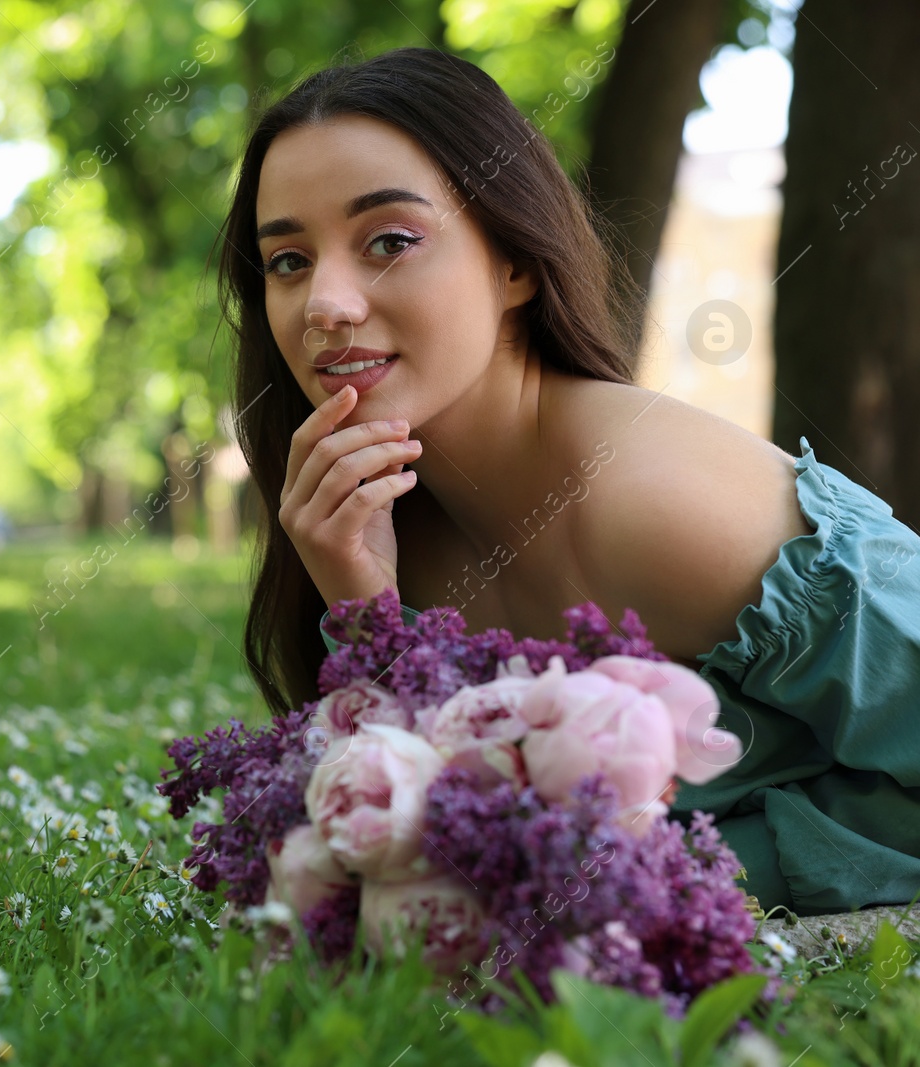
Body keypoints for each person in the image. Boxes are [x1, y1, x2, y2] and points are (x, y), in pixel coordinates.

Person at [216, 46, 920, 916]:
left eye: (390, 241)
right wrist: (364, 605)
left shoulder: (652, 500)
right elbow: (444, 837)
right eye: (287, 260)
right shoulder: (385, 522)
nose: (325, 302)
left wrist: (694, 877)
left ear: (513, 260)